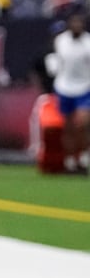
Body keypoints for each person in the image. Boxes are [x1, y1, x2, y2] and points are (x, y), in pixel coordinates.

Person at [46, 12, 90, 173]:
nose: (76, 26)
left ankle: (84, 158)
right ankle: (70, 161)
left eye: (79, 23)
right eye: (74, 23)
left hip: (84, 87)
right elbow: (56, 62)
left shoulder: (88, 43)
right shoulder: (61, 41)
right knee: (68, 127)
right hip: (65, 87)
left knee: (83, 124)